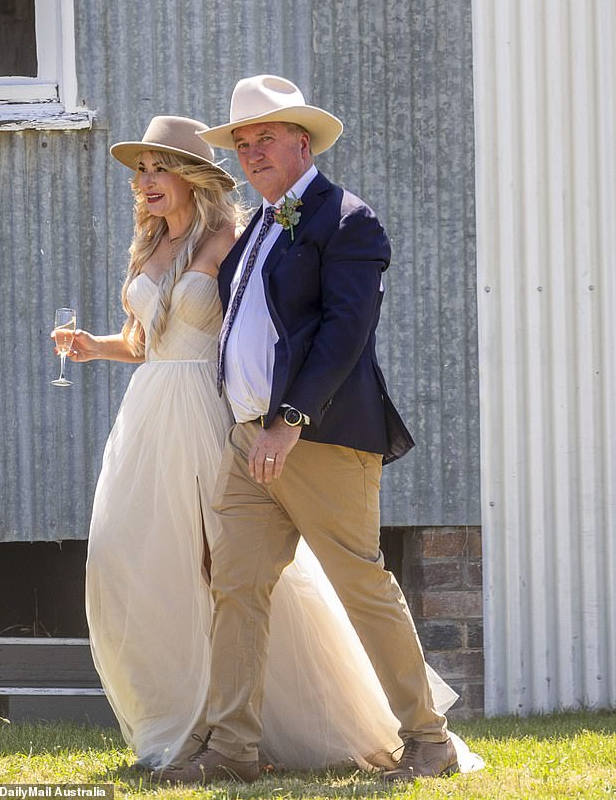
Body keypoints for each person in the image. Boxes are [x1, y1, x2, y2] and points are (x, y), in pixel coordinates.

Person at [68, 114, 468, 774]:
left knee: (359, 583)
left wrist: (289, 418)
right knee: (236, 585)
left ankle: (427, 738)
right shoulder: (259, 228)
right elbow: (218, 331)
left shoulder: (342, 220)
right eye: (244, 144)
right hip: (245, 436)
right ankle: (231, 748)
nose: (253, 154)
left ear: (301, 145)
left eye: (266, 142)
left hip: (316, 433)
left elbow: (344, 331)